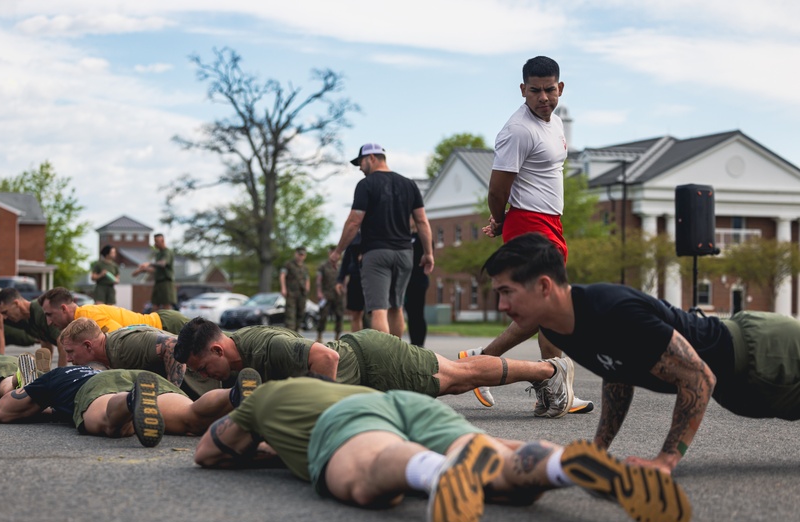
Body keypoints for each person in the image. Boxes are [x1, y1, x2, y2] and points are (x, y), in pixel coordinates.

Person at [195, 378, 691, 522]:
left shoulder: (262, 398)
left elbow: (209, 454)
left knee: (369, 476)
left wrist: (262, 445)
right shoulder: (334, 380)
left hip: (349, 423)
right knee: (497, 468)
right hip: (401, 403)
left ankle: (438, 474)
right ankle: (562, 465)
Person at [483, 231, 800, 474]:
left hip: (767, 352)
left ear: (543, 287)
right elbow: (618, 373)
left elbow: (699, 378)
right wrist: (599, 450)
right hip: (739, 384)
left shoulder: (612, 310)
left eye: (507, 292)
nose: (502, 306)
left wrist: (666, 460)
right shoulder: (556, 326)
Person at [472, 55, 592, 416]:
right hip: (529, 225)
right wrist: (501, 218)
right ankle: (554, 392)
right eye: (535, 91)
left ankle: (478, 365)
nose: (543, 97)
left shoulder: (554, 124)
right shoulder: (518, 130)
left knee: (540, 312)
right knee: (552, 307)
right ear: (523, 90)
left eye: (550, 90)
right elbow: (497, 190)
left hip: (549, 223)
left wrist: (501, 221)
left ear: (561, 88)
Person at [174, 318, 576, 416]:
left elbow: (325, 359)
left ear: (215, 348)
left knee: (459, 379)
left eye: (201, 367)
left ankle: (550, 372)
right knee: (458, 374)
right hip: (368, 359)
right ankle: (548, 371)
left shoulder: (266, 346)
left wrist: (323, 411)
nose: (204, 375)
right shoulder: (236, 354)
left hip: (373, 363)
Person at [0, 365, 262, 449]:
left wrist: (43, 407)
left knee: (112, 423)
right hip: (143, 376)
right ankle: (234, 395)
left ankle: (132, 400)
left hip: (97, 387)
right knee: (194, 420)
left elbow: (2, 412)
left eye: (70, 351)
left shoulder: (60, 374)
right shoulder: (105, 363)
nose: (68, 356)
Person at [329, 143, 434, 337]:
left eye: (360, 162)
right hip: (404, 254)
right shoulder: (409, 184)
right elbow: (422, 221)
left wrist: (337, 252)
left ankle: (384, 363)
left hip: (376, 253)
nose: (360, 168)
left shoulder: (366, 184)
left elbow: (354, 222)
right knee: (396, 306)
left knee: (379, 308)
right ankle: (396, 361)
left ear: (371, 158)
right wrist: (428, 253)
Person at [57, 317, 219, 398]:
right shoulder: (109, 350)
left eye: (70, 351)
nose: (69, 359)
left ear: (88, 346)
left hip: (212, 382)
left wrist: (171, 395)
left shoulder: (123, 346)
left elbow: (171, 345)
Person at [40, 286, 188, 335]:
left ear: (64, 308)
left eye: (49, 315)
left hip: (167, 324)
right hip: (162, 323)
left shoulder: (87, 317)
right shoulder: (81, 320)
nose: (48, 322)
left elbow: (121, 339)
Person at [0, 287, 66, 366]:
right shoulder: (28, 320)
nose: (4, 317)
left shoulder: (39, 310)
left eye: (5, 312)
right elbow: (46, 345)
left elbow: (62, 342)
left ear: (16, 304)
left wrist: (61, 374)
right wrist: (42, 374)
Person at [134, 233, 176, 311]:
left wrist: (149, 263)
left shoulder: (167, 252)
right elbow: (156, 270)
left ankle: (167, 322)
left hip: (165, 282)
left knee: (166, 306)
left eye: (157, 241)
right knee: (155, 305)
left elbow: (162, 264)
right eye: (154, 241)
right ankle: (154, 322)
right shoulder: (158, 254)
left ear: (162, 241)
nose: (155, 244)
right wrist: (143, 270)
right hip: (158, 282)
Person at [336, 231, 365, 332]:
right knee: (356, 314)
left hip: (373, 277)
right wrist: (340, 279)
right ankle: (357, 343)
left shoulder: (378, 231)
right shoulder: (353, 236)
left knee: (376, 313)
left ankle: (377, 345)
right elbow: (346, 260)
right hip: (355, 278)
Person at [405, 232, 429, 347]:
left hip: (419, 281)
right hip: (405, 282)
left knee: (418, 314)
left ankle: (419, 344)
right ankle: (413, 343)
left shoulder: (422, 237)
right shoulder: (405, 236)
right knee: (410, 314)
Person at [315, 253, 343, 343]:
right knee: (323, 315)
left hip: (339, 295)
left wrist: (345, 289)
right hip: (326, 294)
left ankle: (337, 337)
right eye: (332, 253)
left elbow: (345, 278)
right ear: (329, 254)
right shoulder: (323, 266)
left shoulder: (341, 266)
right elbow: (318, 279)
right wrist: (319, 292)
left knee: (339, 316)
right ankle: (319, 336)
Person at [279, 247, 309, 333]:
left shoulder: (305, 267)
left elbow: (307, 278)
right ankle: (289, 335)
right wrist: (283, 288)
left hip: (302, 294)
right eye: (299, 254)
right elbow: (282, 276)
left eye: (302, 255)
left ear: (305, 256)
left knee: (300, 314)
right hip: (291, 293)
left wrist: (307, 288)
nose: (300, 257)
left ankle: (296, 333)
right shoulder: (288, 264)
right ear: (295, 254)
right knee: (290, 315)